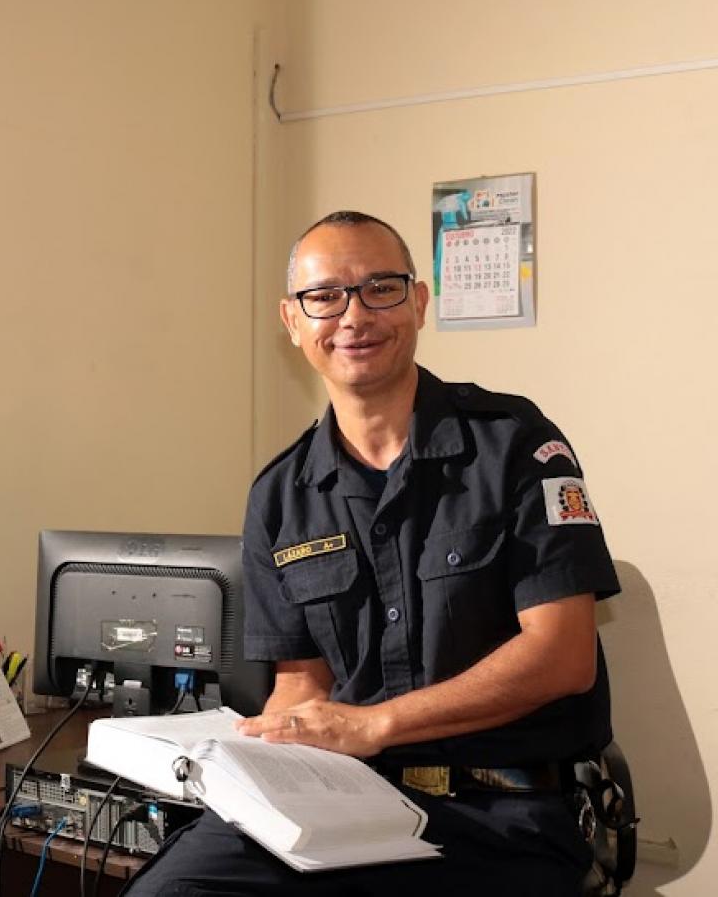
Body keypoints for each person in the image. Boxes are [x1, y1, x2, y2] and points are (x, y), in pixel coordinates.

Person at [123, 211, 621, 896]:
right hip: (344, 806)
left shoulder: (515, 445)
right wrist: (267, 741)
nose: (354, 315)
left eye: (379, 288)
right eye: (324, 296)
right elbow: (304, 682)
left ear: (417, 302)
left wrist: (377, 722)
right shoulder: (279, 495)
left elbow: (564, 655)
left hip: (504, 817)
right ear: (293, 322)